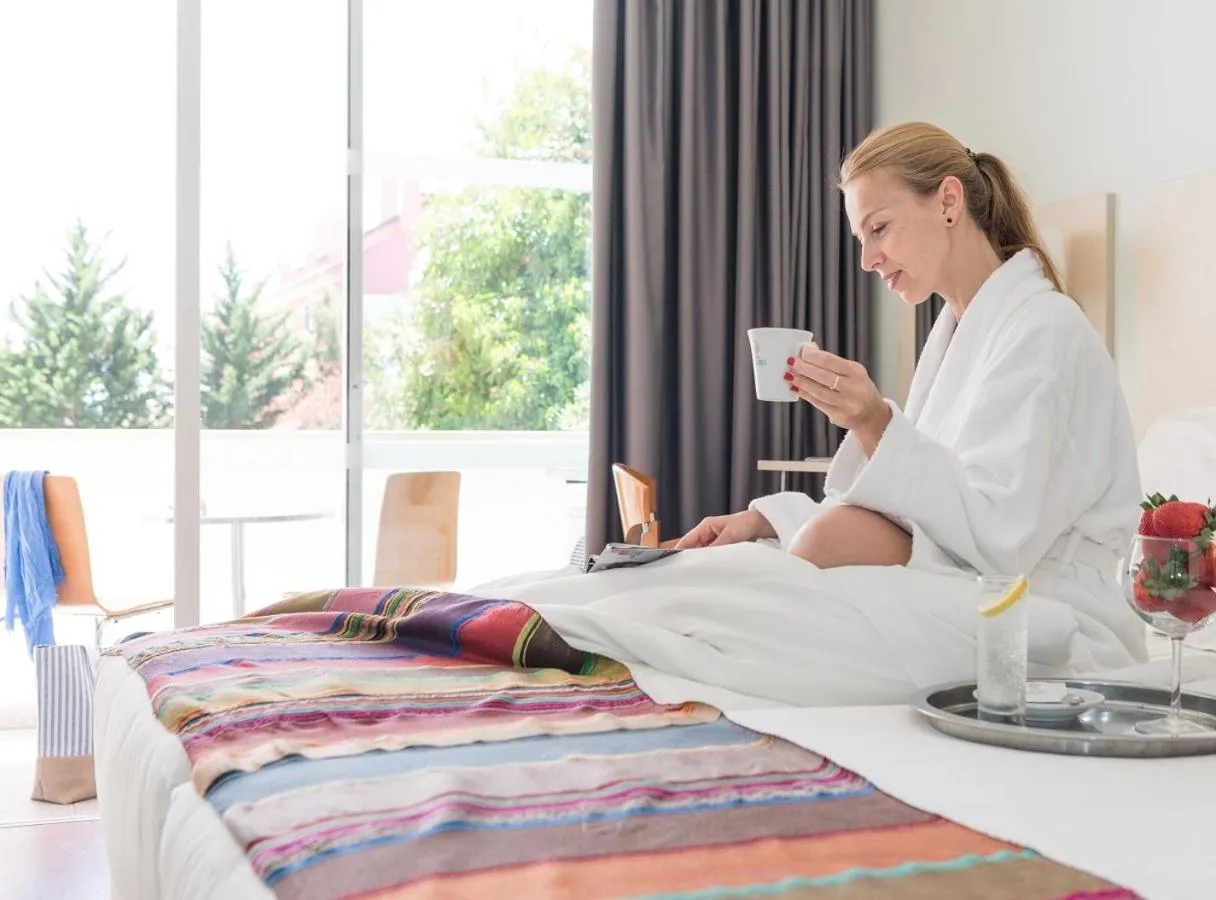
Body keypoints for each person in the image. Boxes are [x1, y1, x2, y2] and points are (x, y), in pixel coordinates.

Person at [476, 121, 1148, 708]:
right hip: (972, 584)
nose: (867, 259)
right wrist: (770, 517)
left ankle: (548, 622)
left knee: (738, 605)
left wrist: (874, 422)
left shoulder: (1045, 331)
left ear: (948, 200)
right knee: (726, 572)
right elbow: (932, 514)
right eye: (862, 237)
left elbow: (1001, 536)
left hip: (1048, 623)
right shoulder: (959, 331)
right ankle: (508, 608)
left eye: (879, 229)